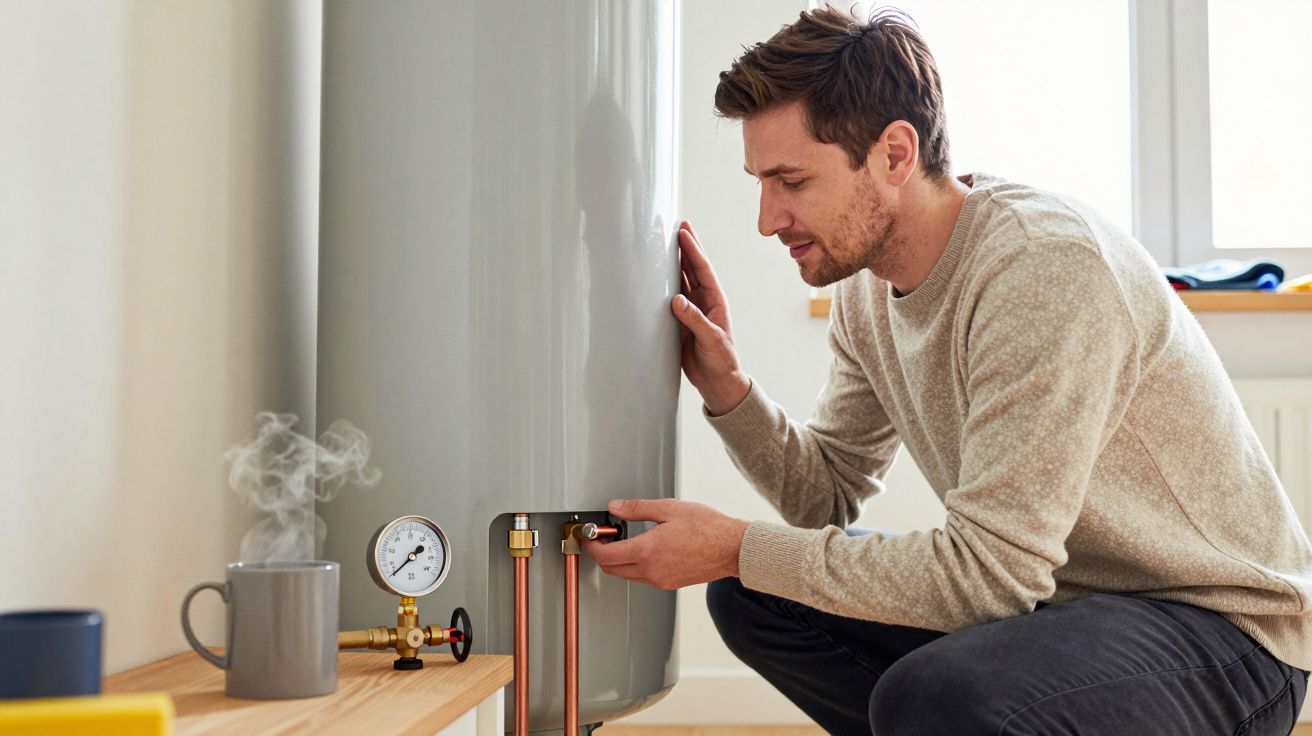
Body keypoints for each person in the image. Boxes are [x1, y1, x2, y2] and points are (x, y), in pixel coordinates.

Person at [583, 6, 1312, 734]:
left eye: (792, 181)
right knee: (752, 595)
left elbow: (990, 578)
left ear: (895, 154)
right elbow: (824, 496)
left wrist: (737, 544)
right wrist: (727, 387)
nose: (767, 219)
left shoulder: (1043, 269)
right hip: (1061, 608)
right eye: (761, 184)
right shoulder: (866, 290)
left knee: (934, 692)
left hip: (1220, 631)